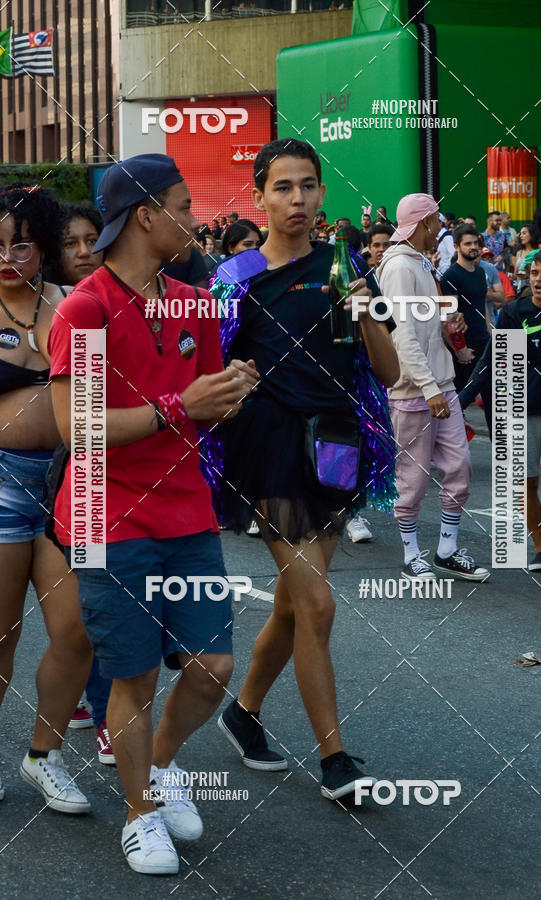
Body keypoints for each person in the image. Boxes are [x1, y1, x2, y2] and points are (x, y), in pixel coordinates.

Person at [48, 153, 258, 875]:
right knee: (133, 676)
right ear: (146, 215)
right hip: (108, 519)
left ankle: (160, 767)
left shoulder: (195, 301)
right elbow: (77, 430)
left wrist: (232, 389)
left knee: (213, 665)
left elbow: (204, 405)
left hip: (187, 510)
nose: (196, 219)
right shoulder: (84, 308)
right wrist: (180, 407)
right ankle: (140, 816)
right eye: (184, 203)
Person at [212, 138, 399, 801]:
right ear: (259, 195)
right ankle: (336, 761)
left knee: (295, 605)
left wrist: (362, 307)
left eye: (308, 186)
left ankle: (243, 712)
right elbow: (206, 368)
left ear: (323, 194)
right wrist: (234, 375)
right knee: (317, 603)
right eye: (283, 187)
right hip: (268, 449)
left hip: (337, 449)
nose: (297, 199)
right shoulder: (234, 276)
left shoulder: (346, 267)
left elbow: (388, 370)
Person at [0, 184, 93, 809]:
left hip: (70, 481)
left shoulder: (75, 306)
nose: (9, 255)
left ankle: (44, 755)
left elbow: (89, 402)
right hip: (2, 482)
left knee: (79, 631)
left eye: (23, 243)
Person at [378, 193, 488, 583]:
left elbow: (422, 327)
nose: (440, 228)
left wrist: (447, 333)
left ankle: (446, 549)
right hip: (415, 392)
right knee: (414, 477)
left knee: (459, 468)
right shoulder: (398, 269)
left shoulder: (420, 263)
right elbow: (402, 336)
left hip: (441, 385)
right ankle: (411, 554)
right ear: (422, 224)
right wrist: (429, 387)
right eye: (436, 221)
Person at [48, 202, 116, 763]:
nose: (81, 251)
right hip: (21, 480)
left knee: (91, 609)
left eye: (90, 239)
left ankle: (105, 715)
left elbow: (91, 414)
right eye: (69, 242)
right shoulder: (61, 306)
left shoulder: (95, 307)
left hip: (87, 472)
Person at [459, 249, 541, 572]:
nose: (538, 279)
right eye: (534, 273)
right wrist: (465, 396)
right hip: (519, 409)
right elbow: (492, 358)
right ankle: (540, 547)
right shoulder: (514, 312)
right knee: (527, 483)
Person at [440, 224, 493, 436]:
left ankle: (503, 454)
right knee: (458, 401)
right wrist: (459, 349)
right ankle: (447, 447)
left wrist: (492, 338)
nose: (473, 247)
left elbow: (483, 308)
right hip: (465, 350)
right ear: (456, 246)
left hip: (484, 344)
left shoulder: (480, 272)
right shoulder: (451, 276)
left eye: (475, 243)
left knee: (494, 400)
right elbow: (448, 317)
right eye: (467, 244)